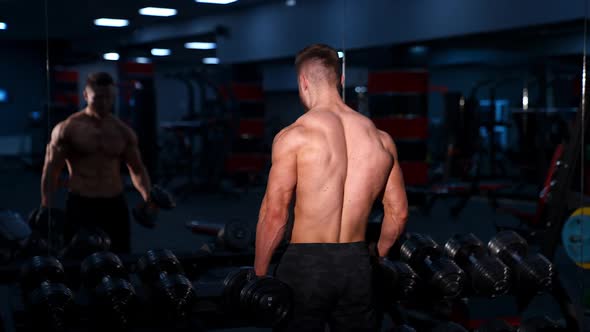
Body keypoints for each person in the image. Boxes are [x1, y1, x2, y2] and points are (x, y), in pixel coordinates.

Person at [254, 44, 409, 331]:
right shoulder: (381, 139)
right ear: (340, 81)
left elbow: (275, 215)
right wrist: (379, 256)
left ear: (303, 82)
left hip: (305, 265)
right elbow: (398, 214)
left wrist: (259, 276)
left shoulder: (294, 137)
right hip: (357, 263)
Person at [40, 72, 154, 254]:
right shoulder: (68, 128)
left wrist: (148, 198)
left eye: (108, 97)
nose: (103, 103)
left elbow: (138, 169)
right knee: (78, 263)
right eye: (98, 98)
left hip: (114, 204)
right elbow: (51, 169)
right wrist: (46, 205)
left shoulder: (122, 131)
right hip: (81, 204)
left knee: (120, 261)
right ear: (86, 95)